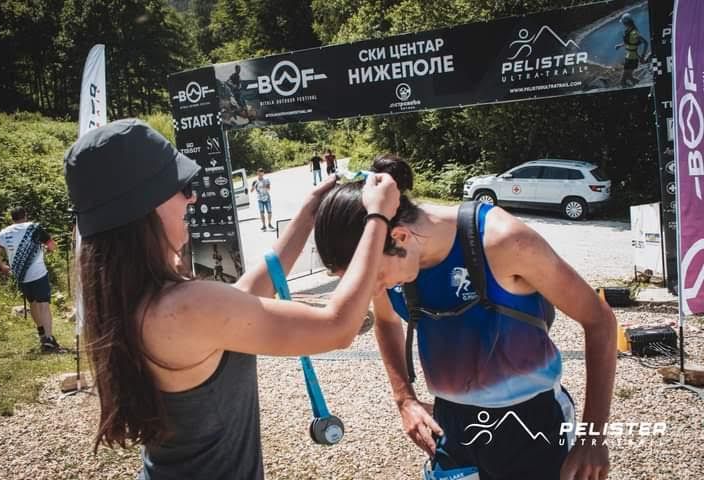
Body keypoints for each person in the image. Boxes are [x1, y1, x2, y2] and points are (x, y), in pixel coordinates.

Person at [63, 119, 399, 479]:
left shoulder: (132, 301)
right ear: (145, 206)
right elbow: (338, 327)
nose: (192, 197)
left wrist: (306, 215)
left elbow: (242, 298)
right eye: (181, 188)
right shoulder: (187, 307)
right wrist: (377, 217)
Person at [314, 155, 617, 480]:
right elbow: (387, 322)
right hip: (451, 423)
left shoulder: (503, 240)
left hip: (532, 421)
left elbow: (599, 320)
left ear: (400, 237)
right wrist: (404, 399)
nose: (372, 291)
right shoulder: (381, 251)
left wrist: (593, 438)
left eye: (375, 278)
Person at [0, 207, 62, 353]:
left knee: (33, 303)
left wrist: (3, 267)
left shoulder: (4, 232)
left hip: (21, 276)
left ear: (12, 218)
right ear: (25, 215)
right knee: (44, 305)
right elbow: (52, 246)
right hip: (39, 273)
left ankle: (42, 333)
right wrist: (47, 249)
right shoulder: (34, 228)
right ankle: (48, 340)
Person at [615, 13, 648, 87]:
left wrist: (642, 57)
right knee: (630, 77)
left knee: (622, 81)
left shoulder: (634, 33)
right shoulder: (629, 31)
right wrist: (620, 46)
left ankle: (639, 87)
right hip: (630, 57)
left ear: (625, 22)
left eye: (623, 22)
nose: (623, 24)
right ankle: (641, 86)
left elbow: (645, 43)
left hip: (631, 58)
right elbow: (630, 43)